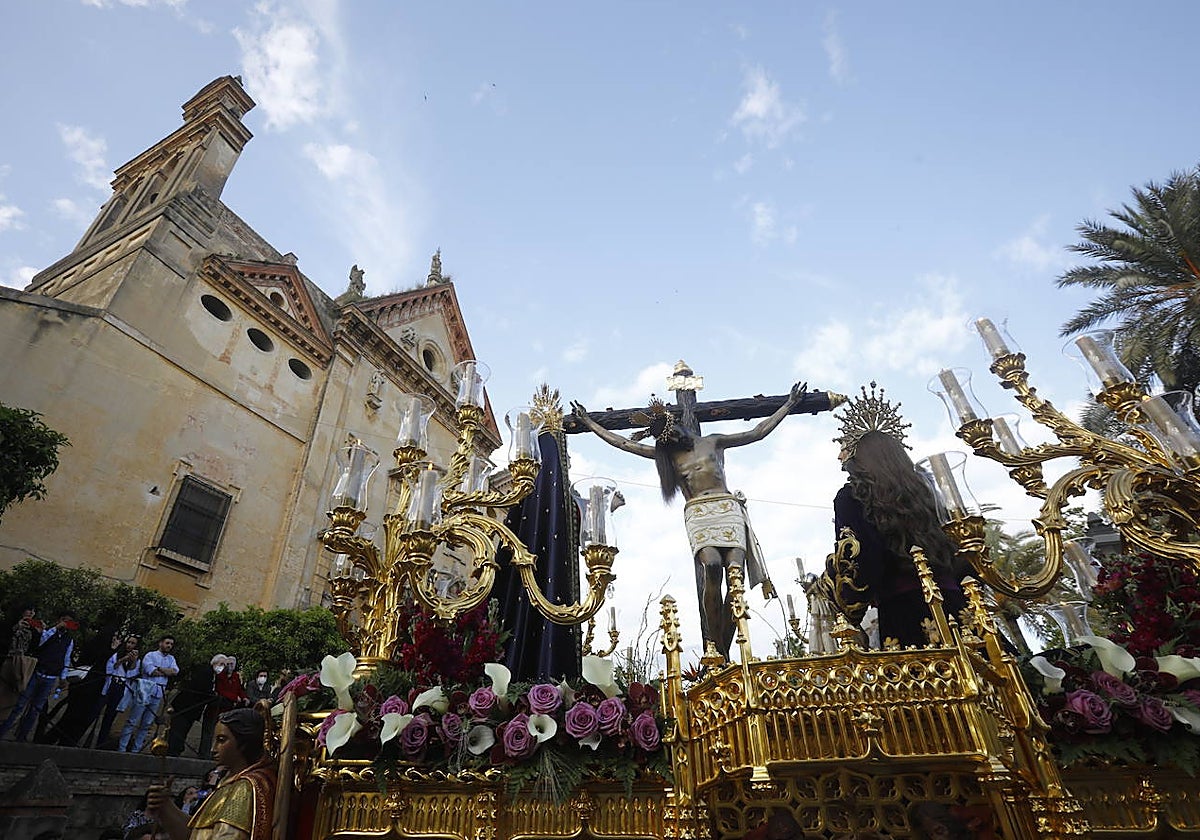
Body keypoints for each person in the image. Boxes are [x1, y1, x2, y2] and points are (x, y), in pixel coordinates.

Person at [572, 382, 807, 657]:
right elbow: (624, 443)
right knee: (712, 566)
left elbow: (756, 433)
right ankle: (714, 644)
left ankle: (725, 649)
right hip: (698, 513)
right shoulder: (668, 457)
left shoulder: (712, 442)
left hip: (726, 508)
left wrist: (789, 405)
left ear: (681, 425)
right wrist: (589, 422)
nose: (673, 441)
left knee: (735, 576)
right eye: (667, 440)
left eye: (674, 434)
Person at [824, 388, 967, 648]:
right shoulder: (924, 488)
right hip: (961, 607)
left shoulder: (852, 496)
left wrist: (839, 598)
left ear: (859, 452)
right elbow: (962, 549)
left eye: (843, 447)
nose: (839, 456)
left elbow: (860, 565)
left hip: (904, 614)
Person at [146, 707, 276, 840]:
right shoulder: (230, 781)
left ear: (243, 743)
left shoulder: (244, 789)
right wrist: (165, 806)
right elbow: (195, 834)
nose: (213, 749)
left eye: (221, 740)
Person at [0, 609, 77, 741]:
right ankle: (3, 732)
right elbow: (40, 642)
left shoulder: (69, 640)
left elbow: (66, 658)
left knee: (35, 710)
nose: (66, 623)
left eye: (69, 621)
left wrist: (63, 677)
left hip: (50, 677)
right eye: (64, 620)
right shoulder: (48, 632)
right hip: (37, 672)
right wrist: (55, 629)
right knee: (19, 705)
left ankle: (21, 737)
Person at [119, 635, 179, 753]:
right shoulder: (150, 655)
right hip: (144, 692)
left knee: (147, 724)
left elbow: (175, 671)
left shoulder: (171, 659)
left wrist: (160, 669)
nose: (169, 646)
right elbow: (151, 671)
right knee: (133, 720)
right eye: (167, 643)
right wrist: (165, 671)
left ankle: (136, 750)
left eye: (171, 644)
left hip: (157, 695)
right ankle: (122, 748)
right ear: (160, 643)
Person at [93, 635, 141, 748]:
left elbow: (131, 675)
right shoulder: (117, 654)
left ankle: (100, 744)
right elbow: (110, 668)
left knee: (110, 717)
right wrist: (122, 660)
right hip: (111, 684)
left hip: (121, 688)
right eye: (129, 642)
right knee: (96, 711)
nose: (130, 645)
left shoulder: (137, 660)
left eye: (133, 643)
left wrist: (133, 662)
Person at [199, 654, 248, 757]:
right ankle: (204, 754)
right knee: (209, 732)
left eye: (231, 664)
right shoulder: (220, 675)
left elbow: (239, 689)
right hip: (216, 708)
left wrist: (244, 697)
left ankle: (219, 754)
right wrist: (234, 698)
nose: (229, 666)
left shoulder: (236, 677)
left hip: (228, 709)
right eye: (227, 664)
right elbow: (220, 690)